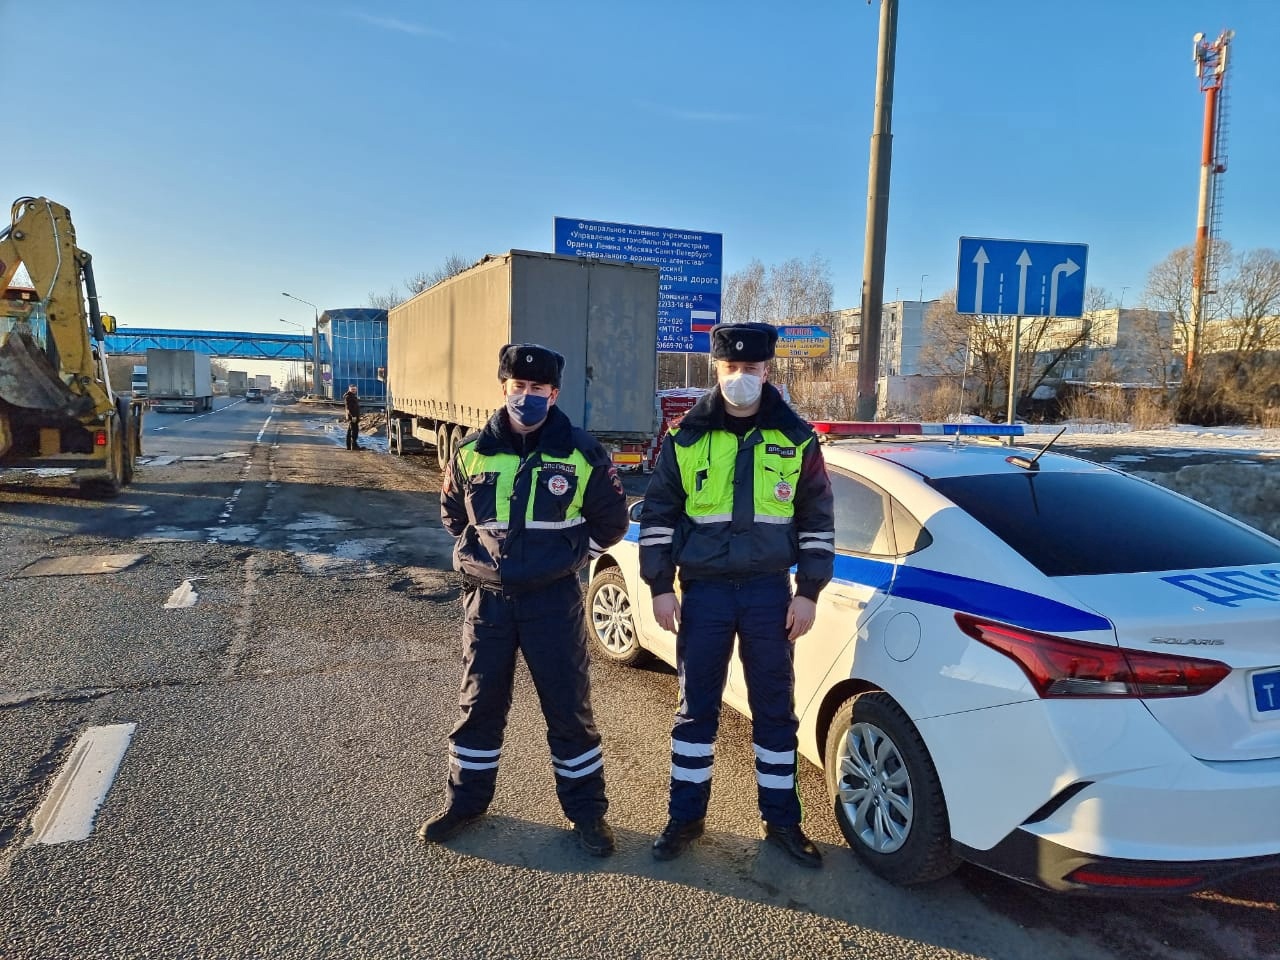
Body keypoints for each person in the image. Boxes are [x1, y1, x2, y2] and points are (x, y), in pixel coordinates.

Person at [418, 343, 630, 856]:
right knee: (478, 706)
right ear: (504, 388)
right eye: (519, 387)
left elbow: (613, 523)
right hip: (486, 602)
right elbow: (453, 516)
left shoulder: (582, 453)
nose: (527, 396)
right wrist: (483, 559)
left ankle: (587, 815)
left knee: (568, 709)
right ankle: (465, 803)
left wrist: (568, 560)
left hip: (552, 602)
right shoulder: (471, 452)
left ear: (554, 393)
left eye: (538, 389)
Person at [638, 322, 835, 868]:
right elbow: (658, 517)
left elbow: (817, 519)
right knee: (695, 708)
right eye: (732, 369)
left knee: (775, 709)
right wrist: (659, 586)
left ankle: (782, 823)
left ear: (767, 371)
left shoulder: (796, 439)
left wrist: (810, 591)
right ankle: (685, 817)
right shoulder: (686, 438)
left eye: (751, 369)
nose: (741, 378)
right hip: (704, 595)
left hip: (771, 594)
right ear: (716, 371)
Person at [344, 385, 361, 450]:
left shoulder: (352, 396)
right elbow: (349, 408)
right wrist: (353, 416)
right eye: (352, 389)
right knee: (354, 431)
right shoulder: (349, 397)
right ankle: (353, 446)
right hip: (353, 417)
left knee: (350, 431)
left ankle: (349, 446)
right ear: (349, 389)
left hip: (354, 416)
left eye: (354, 389)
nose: (354, 390)